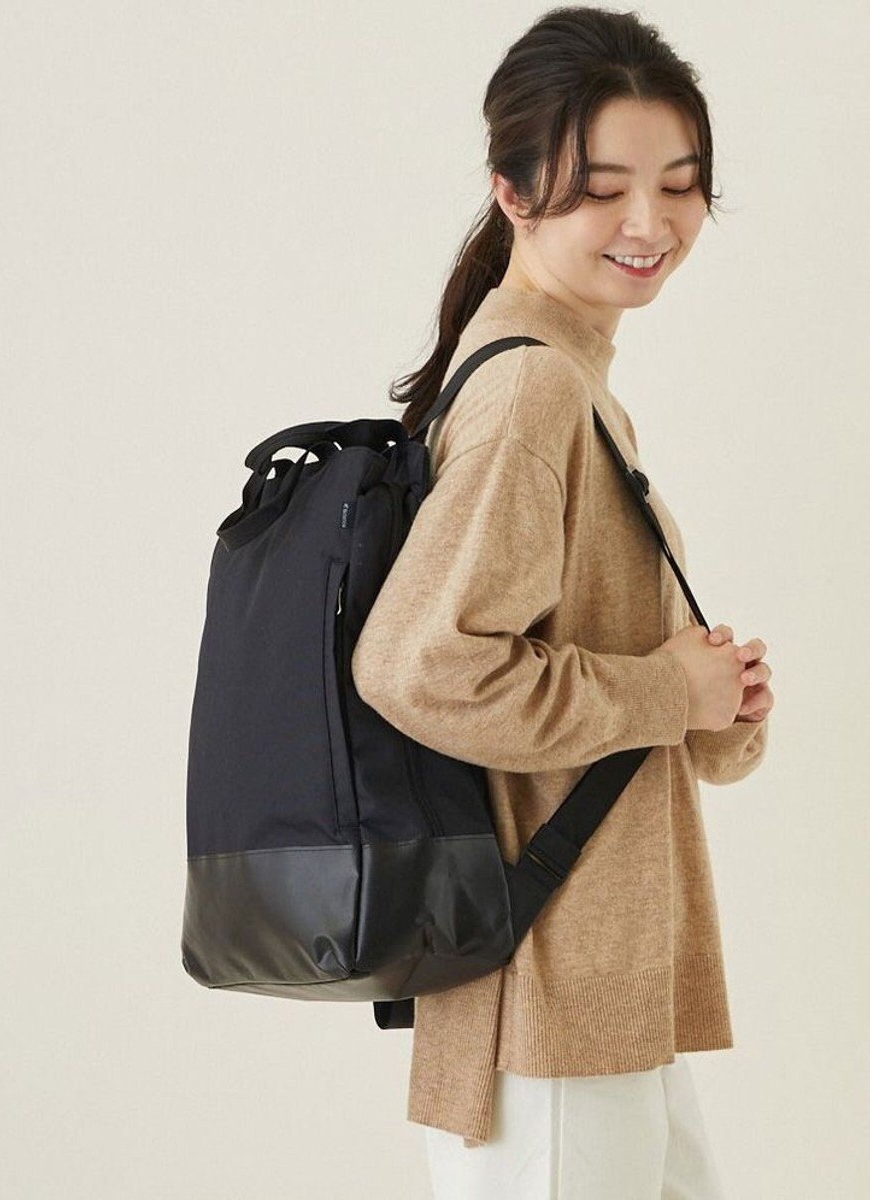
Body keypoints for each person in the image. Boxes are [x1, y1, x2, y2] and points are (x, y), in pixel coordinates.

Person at [349, 6, 774, 1197]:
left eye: (678, 186)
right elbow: (419, 666)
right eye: (600, 189)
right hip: (544, 1009)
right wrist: (664, 691)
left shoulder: (566, 377)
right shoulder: (531, 391)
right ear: (513, 192)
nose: (649, 223)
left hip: (595, 991)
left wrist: (705, 700)